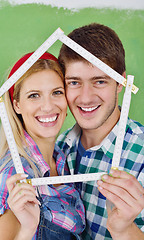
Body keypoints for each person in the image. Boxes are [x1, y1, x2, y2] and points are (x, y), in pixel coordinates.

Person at [57, 23, 144, 240]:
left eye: (100, 81)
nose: (86, 97)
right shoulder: (57, 148)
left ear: (120, 82)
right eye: (74, 82)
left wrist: (125, 230)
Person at [0, 52, 85, 240]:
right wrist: (26, 230)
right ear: (17, 105)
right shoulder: (14, 172)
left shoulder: (64, 158)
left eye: (57, 92)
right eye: (34, 96)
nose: (48, 106)